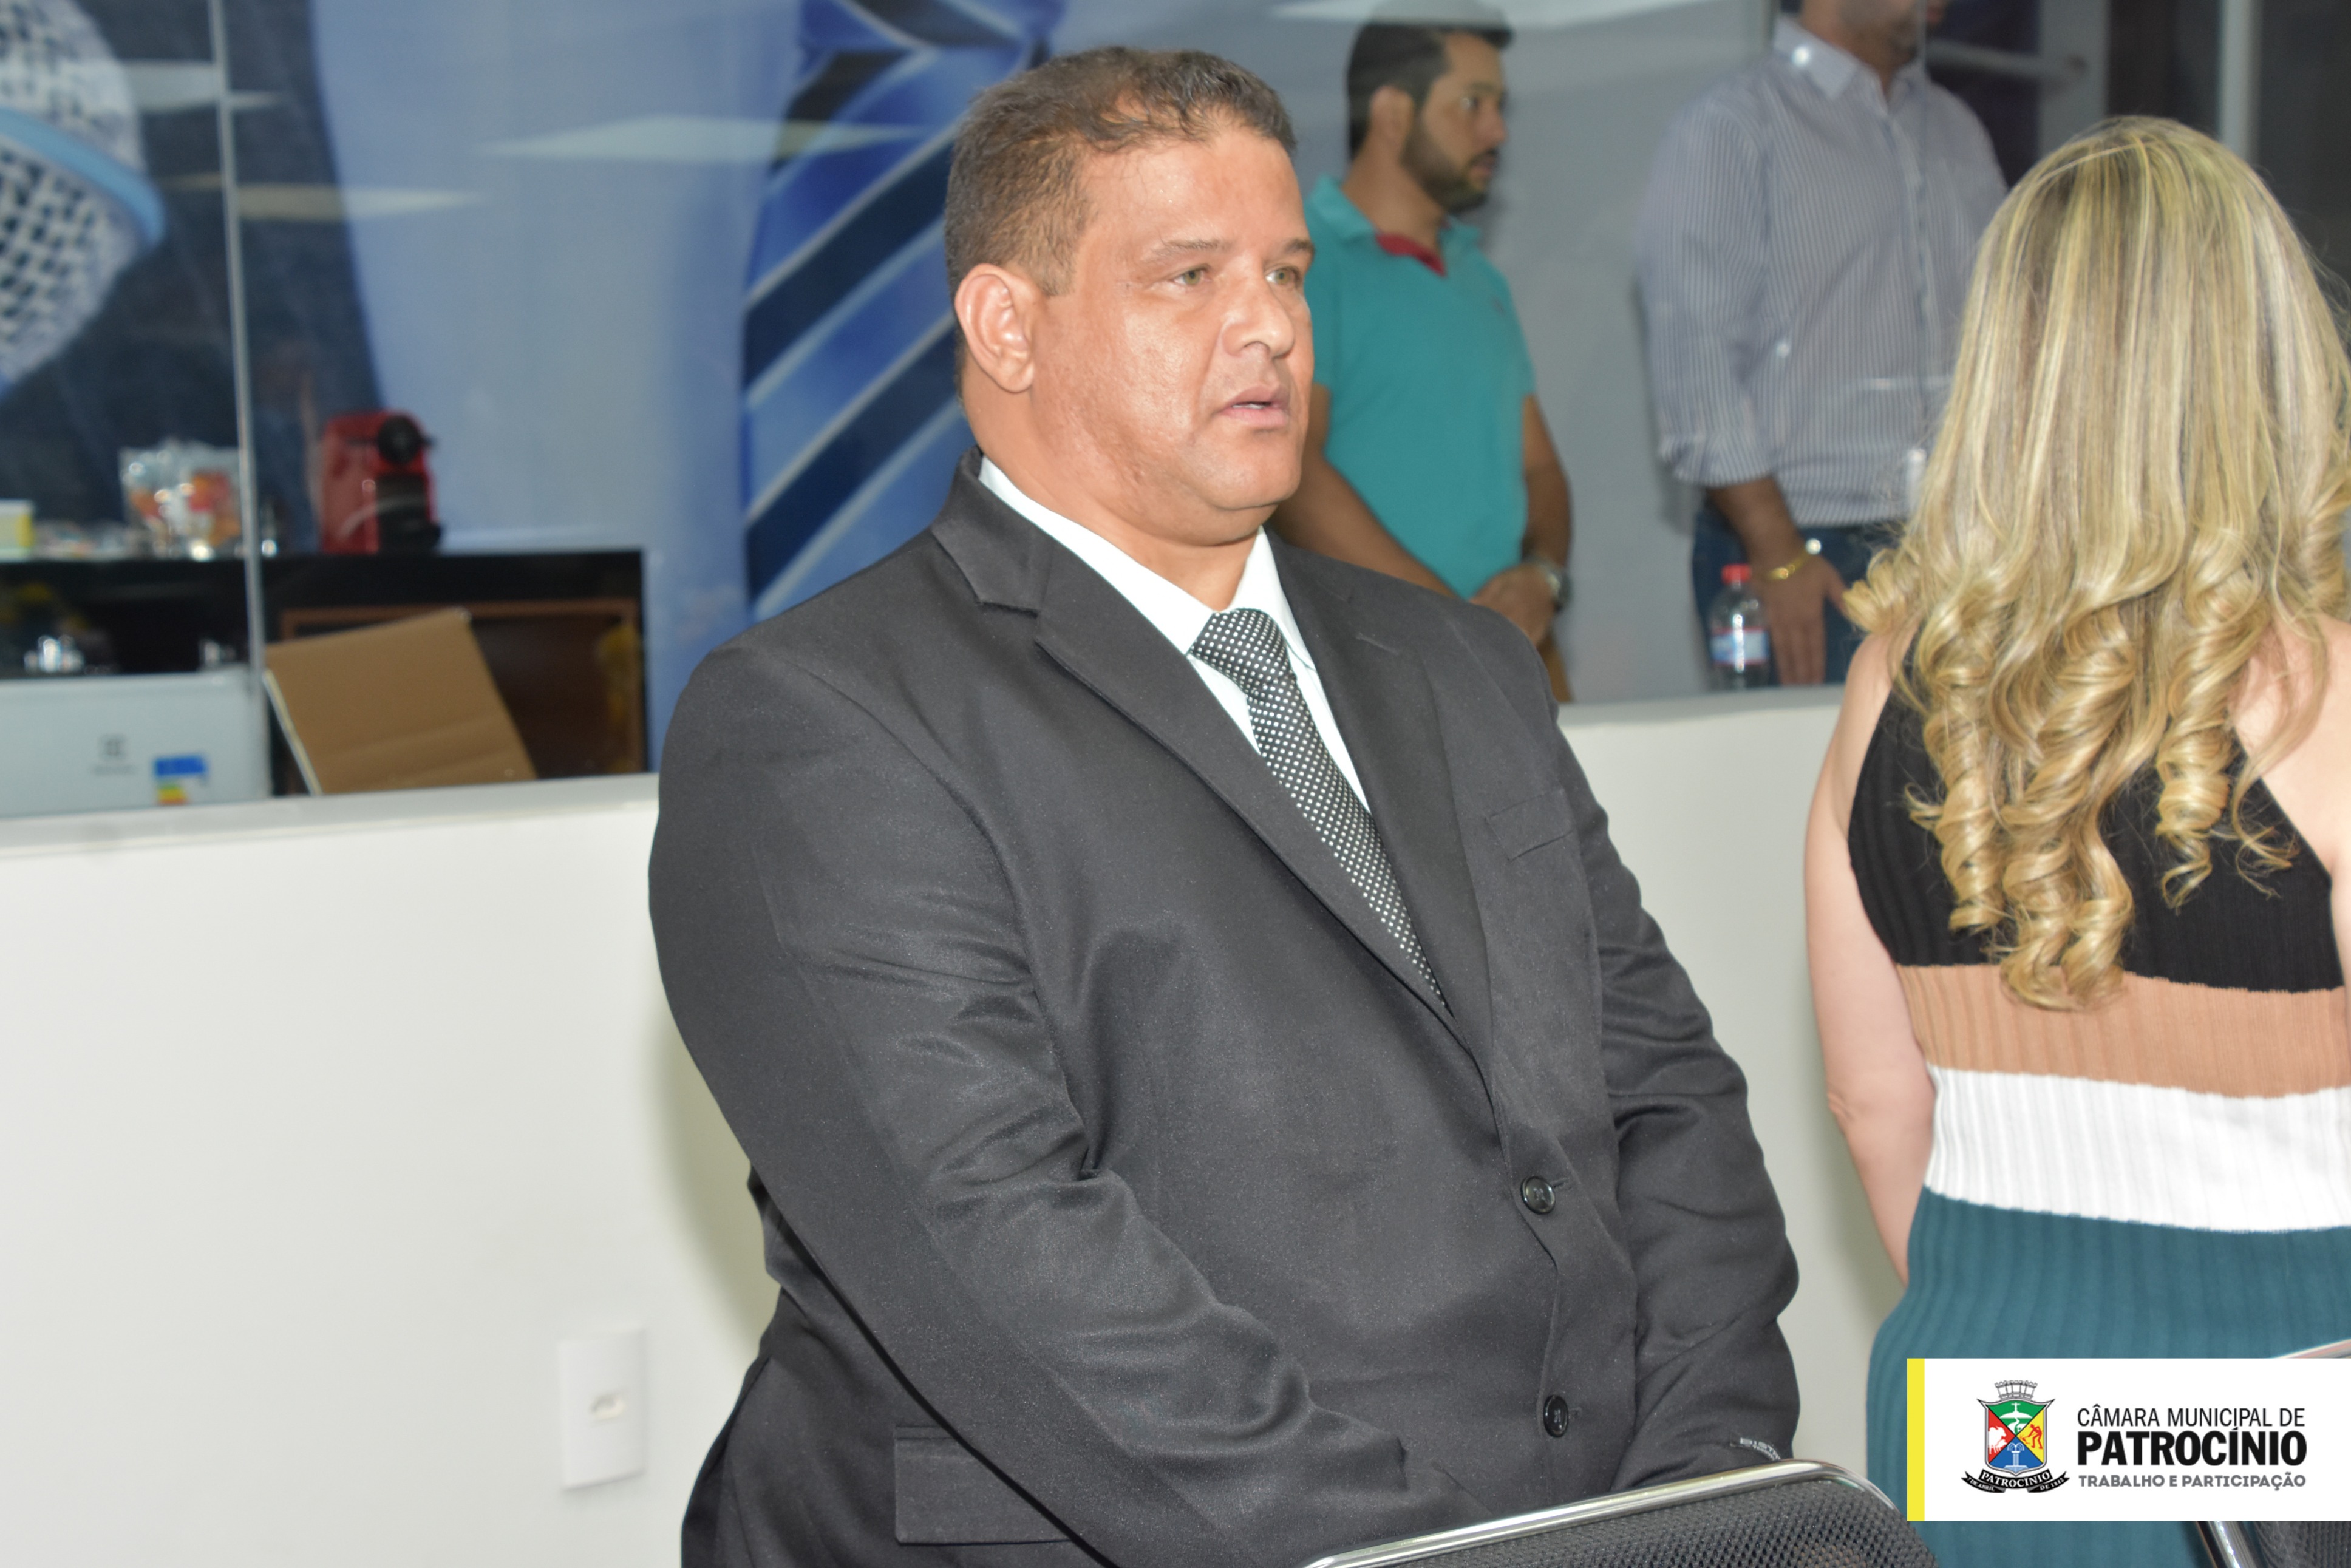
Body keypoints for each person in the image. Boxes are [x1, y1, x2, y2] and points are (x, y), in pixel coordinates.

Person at [653, 46, 1798, 1568]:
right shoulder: (822, 723)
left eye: (1285, 273)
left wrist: (1703, 1492)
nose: (1268, 325)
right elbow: (1015, 1263)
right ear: (1006, 326)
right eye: (1188, 276)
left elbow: (1665, 1100)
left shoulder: (1462, 665)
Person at [1806, 119, 2351, 1566]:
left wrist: (2030, 1368)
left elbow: (1873, 1103)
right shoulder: (2328, 697)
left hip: (1980, 1415)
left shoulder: (1891, 679)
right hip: (2285, 1450)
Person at [1634, 0, 2005, 685]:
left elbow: (2001, 338)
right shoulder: (1730, 126)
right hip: (1804, 553)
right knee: (1805, 759)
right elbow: (1696, 368)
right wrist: (1778, 556)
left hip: (1953, 549)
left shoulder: (1957, 130)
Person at [1271, 4, 1574, 701]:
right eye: (1472, 103)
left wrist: (1541, 578)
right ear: (1392, 112)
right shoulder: (1305, 260)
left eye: (1498, 106)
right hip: (1382, 676)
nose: (1496, 130)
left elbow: (1540, 467)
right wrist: (1453, 627)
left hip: (1512, 665)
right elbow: (1294, 469)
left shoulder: (1481, 278)